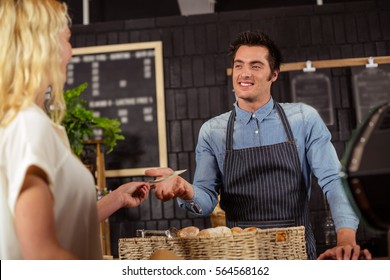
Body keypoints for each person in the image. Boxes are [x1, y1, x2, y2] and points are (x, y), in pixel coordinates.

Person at [145, 30, 372, 260]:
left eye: (255, 66)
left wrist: (345, 238)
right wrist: (186, 190)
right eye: (239, 65)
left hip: (295, 253)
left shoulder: (304, 119)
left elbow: (334, 180)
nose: (244, 73)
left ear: (273, 74)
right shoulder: (212, 131)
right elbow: (206, 200)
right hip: (239, 257)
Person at [0, 0, 149, 259]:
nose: (71, 52)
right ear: (42, 45)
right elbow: (42, 254)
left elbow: (60, 223)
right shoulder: (28, 124)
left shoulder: (25, 120)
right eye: (67, 40)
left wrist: (116, 199)